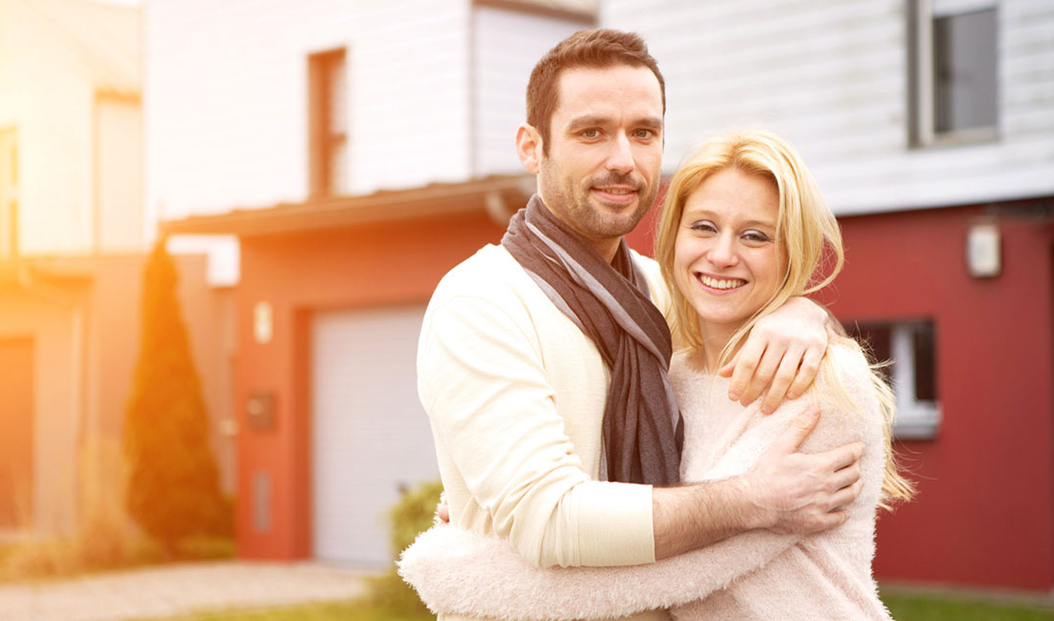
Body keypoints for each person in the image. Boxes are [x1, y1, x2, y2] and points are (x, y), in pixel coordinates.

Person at [413, 29, 865, 621]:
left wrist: (805, 313)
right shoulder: (482, 301)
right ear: (531, 146)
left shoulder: (663, 288)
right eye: (591, 132)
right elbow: (550, 521)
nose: (623, 160)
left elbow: (741, 314)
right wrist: (751, 501)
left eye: (643, 133)